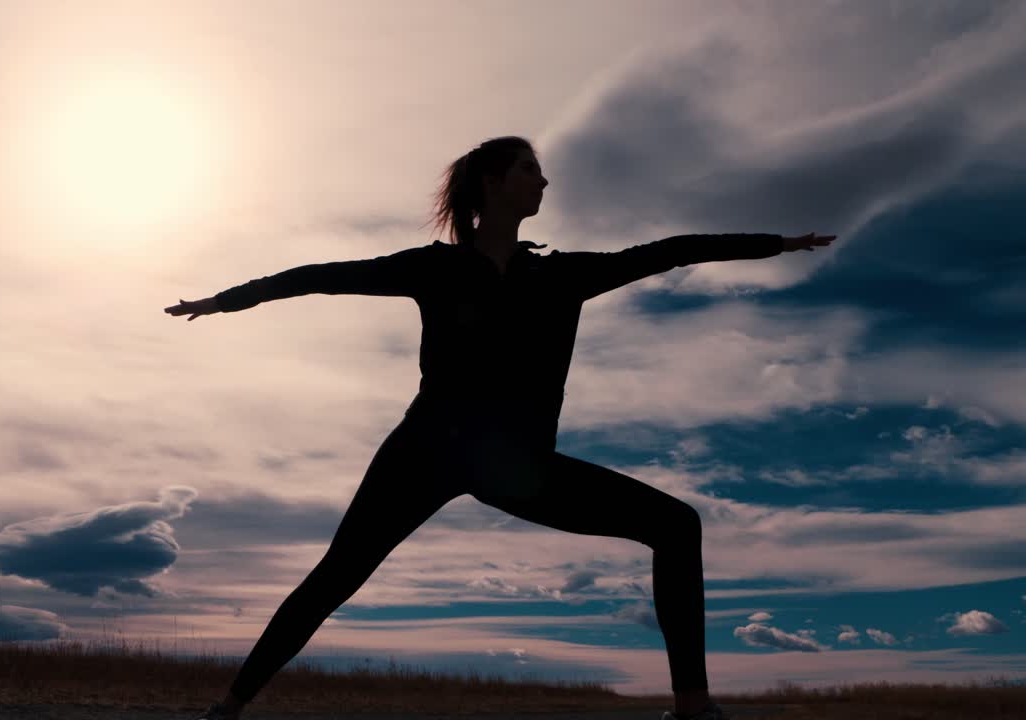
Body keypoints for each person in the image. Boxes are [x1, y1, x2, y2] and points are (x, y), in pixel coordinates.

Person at [165, 136, 835, 720]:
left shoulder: (564, 275)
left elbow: (672, 251)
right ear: (493, 181)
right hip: (426, 451)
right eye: (529, 169)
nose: (543, 181)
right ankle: (230, 706)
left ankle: (692, 708)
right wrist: (224, 302)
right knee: (338, 574)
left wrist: (778, 244)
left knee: (675, 524)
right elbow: (321, 277)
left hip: (519, 466)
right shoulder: (435, 267)